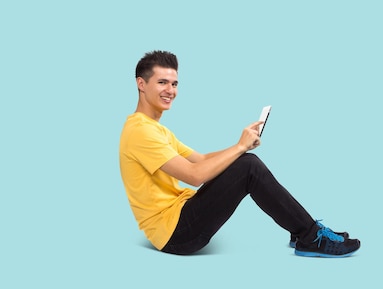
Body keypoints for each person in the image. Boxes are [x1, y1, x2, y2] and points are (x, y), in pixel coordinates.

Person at [119, 50, 360, 257]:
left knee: (245, 161)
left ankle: (303, 231)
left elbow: (201, 160)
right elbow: (194, 176)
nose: (170, 90)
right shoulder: (140, 132)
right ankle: (310, 236)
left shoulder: (155, 129)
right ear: (142, 84)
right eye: (162, 82)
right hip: (176, 234)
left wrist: (239, 144)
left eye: (174, 84)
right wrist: (240, 148)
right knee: (249, 166)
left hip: (180, 216)